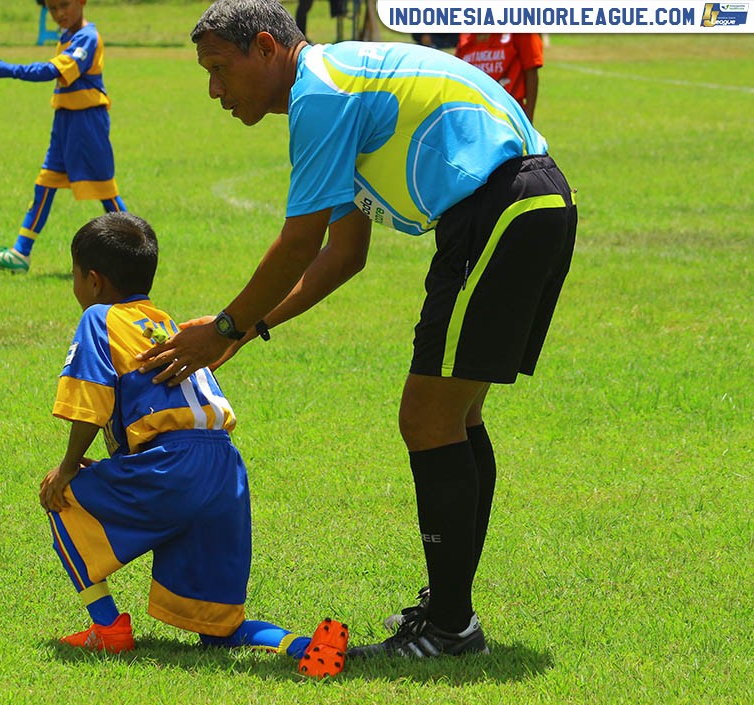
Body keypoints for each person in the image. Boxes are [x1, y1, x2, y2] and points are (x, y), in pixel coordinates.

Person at [138, 0, 577, 660]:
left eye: (220, 69)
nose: (213, 90)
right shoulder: (336, 84)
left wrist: (227, 323)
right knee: (455, 416)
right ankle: (451, 608)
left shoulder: (320, 92)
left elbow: (297, 245)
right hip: (530, 202)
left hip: (503, 205)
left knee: (427, 418)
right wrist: (239, 333)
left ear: (265, 47)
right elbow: (343, 255)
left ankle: (451, 627)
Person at [39, 212, 348, 677]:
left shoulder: (98, 319)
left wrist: (66, 469)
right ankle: (305, 647)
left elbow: (90, 403)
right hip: (224, 468)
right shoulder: (165, 322)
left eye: (75, 277)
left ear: (95, 281)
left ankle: (107, 627)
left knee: (60, 499)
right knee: (219, 627)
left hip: (172, 464)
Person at [0, 0, 126, 275]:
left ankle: (136, 248)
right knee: (45, 183)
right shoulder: (68, 36)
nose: (59, 14)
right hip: (66, 121)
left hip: (87, 122)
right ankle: (21, 252)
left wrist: (7, 69)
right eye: (52, 8)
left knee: (106, 191)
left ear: (82, 2)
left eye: (64, 6)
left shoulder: (87, 38)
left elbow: (52, 71)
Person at [456, 33, 544, 123]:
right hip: (473, 117)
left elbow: (531, 70)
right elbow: (458, 76)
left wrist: (528, 121)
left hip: (508, 116)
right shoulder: (465, 36)